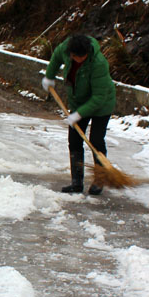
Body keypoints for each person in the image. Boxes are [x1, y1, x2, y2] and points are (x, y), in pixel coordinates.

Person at [41, 34, 116, 195]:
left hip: (101, 105)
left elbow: (98, 97)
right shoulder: (65, 49)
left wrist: (79, 114)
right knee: (74, 140)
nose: (79, 59)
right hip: (78, 101)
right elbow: (55, 58)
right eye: (76, 57)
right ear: (71, 53)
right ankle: (76, 182)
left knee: (96, 140)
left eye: (83, 56)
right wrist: (49, 76)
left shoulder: (98, 64)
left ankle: (99, 179)